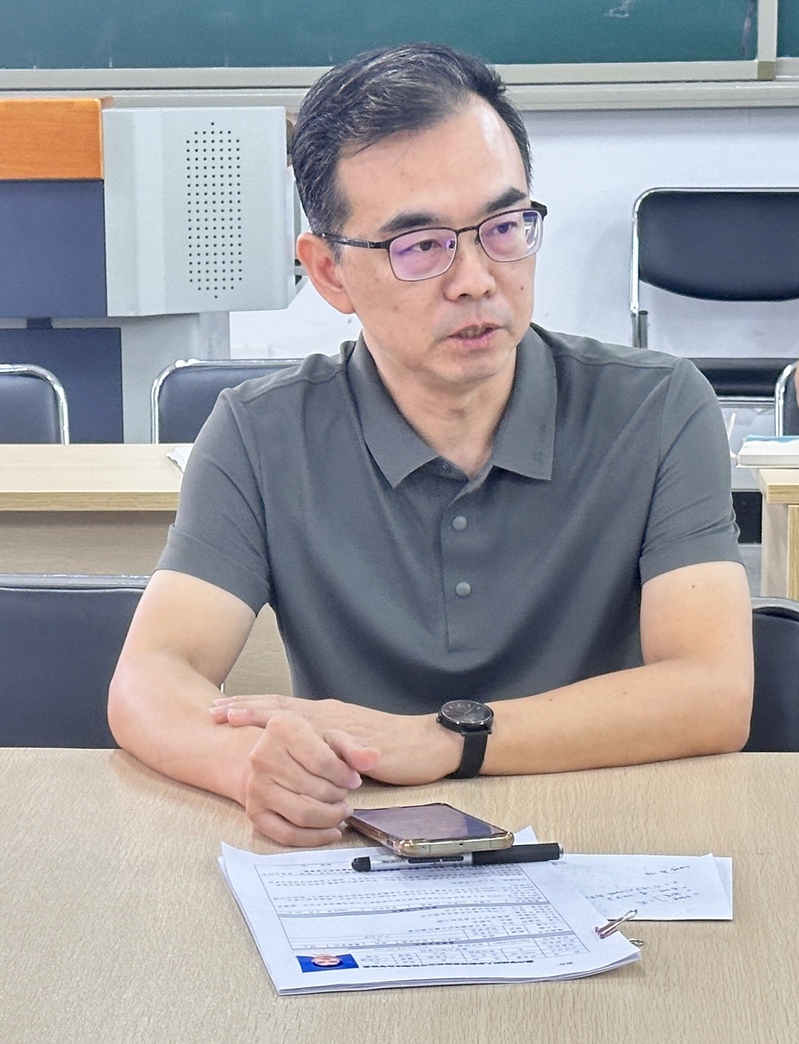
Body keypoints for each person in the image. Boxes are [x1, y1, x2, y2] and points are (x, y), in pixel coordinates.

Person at [108, 43, 753, 848]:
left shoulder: (657, 409)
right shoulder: (260, 433)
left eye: (504, 227)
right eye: (420, 246)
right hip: (363, 846)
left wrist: (445, 739)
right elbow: (151, 678)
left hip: (610, 835)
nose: (476, 278)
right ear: (329, 272)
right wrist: (249, 768)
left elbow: (712, 693)